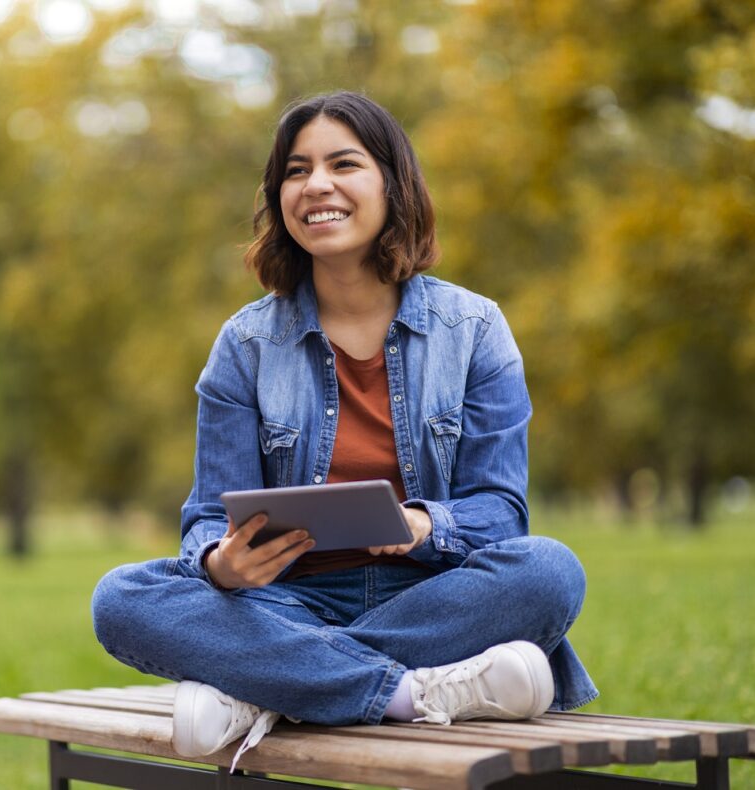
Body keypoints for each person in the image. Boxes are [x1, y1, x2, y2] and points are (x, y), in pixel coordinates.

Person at [91, 91, 597, 769]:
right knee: (121, 599)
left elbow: (500, 514)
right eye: (295, 171)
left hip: (428, 594)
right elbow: (211, 515)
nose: (316, 186)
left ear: (393, 183)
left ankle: (265, 689)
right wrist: (220, 563)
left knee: (548, 571)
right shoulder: (245, 345)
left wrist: (421, 527)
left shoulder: (473, 330)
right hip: (278, 600)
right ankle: (409, 691)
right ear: (278, 198)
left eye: (343, 164)